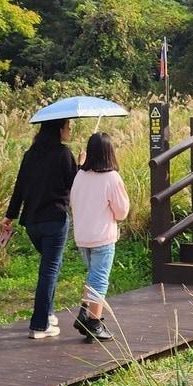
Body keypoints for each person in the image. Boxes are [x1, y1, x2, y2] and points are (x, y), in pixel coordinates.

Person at [0, 118, 76, 339]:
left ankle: (49, 314)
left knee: (51, 266)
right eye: (67, 126)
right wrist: (81, 166)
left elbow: (19, 188)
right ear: (59, 129)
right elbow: (75, 184)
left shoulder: (30, 154)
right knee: (49, 270)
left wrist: (10, 215)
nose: (69, 130)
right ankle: (39, 324)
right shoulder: (63, 154)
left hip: (32, 222)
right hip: (55, 220)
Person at [69, 132, 130, 342]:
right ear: (109, 152)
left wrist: (80, 165)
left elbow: (73, 202)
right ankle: (94, 322)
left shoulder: (80, 175)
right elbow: (122, 211)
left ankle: (85, 312)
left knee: (93, 277)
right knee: (99, 280)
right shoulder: (112, 177)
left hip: (82, 237)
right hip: (102, 237)